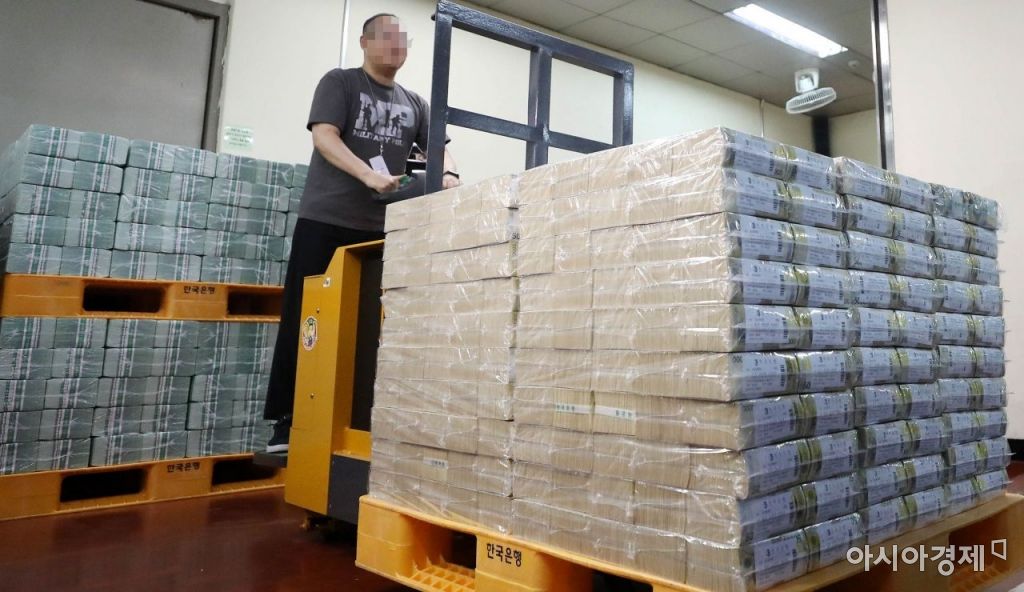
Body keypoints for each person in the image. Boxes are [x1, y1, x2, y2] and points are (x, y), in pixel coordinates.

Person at [263, 12, 461, 452]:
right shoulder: (341, 82)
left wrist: (448, 174)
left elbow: (438, 149)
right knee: (306, 318)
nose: (396, 46)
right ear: (365, 43)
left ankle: (358, 417)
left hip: (381, 230)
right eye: (387, 38)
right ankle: (288, 421)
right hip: (327, 219)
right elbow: (324, 136)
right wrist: (367, 175)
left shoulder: (415, 103)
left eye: (402, 40)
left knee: (371, 325)